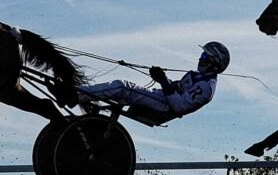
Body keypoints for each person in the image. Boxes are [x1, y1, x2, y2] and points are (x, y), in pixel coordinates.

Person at [79, 41, 229, 123]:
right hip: (161, 99)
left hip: (164, 108)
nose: (200, 59)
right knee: (120, 93)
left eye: (204, 57)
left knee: (122, 87)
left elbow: (179, 106)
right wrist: (162, 78)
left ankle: (77, 94)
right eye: (201, 55)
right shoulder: (197, 76)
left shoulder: (206, 87)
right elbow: (174, 88)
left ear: (214, 64)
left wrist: (163, 80)